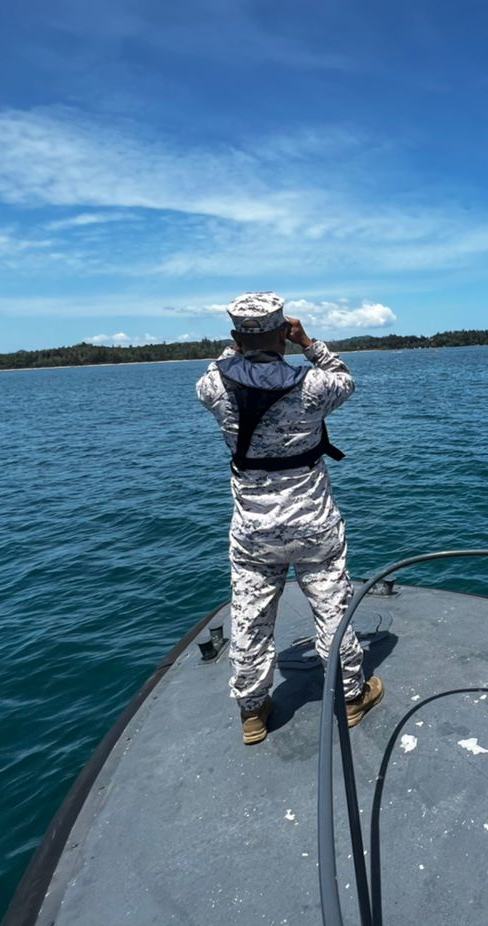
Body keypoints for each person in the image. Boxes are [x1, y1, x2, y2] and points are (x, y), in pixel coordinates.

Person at [196, 292, 383, 745]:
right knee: (331, 608)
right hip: (313, 522)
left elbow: (220, 365)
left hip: (254, 531)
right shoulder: (314, 384)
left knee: (250, 618)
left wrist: (242, 342)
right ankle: (352, 696)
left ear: (236, 336)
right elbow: (345, 379)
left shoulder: (213, 388)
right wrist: (308, 343)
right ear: (284, 331)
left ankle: (253, 711)